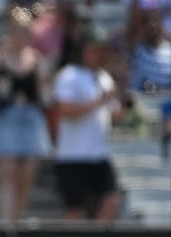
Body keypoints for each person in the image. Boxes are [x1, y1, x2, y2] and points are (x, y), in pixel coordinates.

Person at [0, 8, 51, 223]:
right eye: (15, 30)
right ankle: (6, 223)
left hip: (30, 117)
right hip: (8, 117)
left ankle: (18, 219)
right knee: (8, 171)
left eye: (23, 31)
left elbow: (42, 93)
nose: (19, 35)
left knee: (27, 173)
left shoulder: (36, 60)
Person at [52, 27, 122, 221]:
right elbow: (66, 111)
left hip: (99, 154)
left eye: (100, 50)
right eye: (92, 49)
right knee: (74, 210)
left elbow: (114, 115)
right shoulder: (68, 75)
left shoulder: (105, 78)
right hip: (73, 155)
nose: (96, 55)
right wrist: (98, 102)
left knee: (111, 200)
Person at [128, 9, 171, 92]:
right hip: (141, 99)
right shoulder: (135, 49)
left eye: (155, 21)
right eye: (146, 21)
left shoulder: (169, 50)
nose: (152, 25)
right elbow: (131, 30)